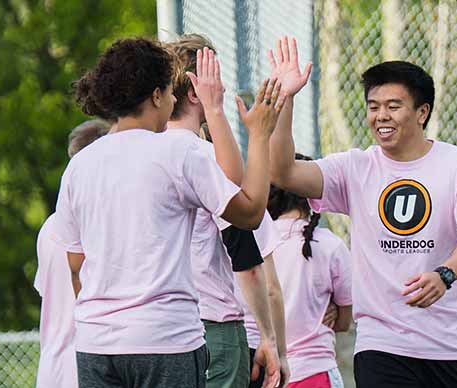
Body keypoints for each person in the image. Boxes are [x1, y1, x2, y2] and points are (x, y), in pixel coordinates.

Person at [268, 36, 457, 388]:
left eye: (393, 106)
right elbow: (283, 171)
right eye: (373, 106)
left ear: (422, 112)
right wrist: (285, 99)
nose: (381, 116)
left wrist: (444, 275)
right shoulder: (354, 167)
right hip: (383, 345)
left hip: (456, 346)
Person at [52, 37, 283, 387]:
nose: (174, 100)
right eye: (168, 93)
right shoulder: (178, 151)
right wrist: (260, 134)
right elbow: (248, 212)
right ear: (156, 96)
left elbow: (75, 265)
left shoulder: (79, 166)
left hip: (95, 344)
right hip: (165, 339)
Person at [165, 34, 285, 388]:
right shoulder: (197, 156)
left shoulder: (143, 152)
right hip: (213, 325)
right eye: (216, 79)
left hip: (162, 329)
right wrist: (269, 337)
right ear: (194, 91)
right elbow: (244, 206)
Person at [252, 153, 352, 388]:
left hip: (266, 372)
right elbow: (344, 323)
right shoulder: (330, 245)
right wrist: (335, 312)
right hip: (316, 372)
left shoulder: (255, 243)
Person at [34, 119, 110, 388]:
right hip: (88, 366)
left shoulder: (50, 226)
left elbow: (48, 292)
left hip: (51, 366)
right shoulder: (99, 222)